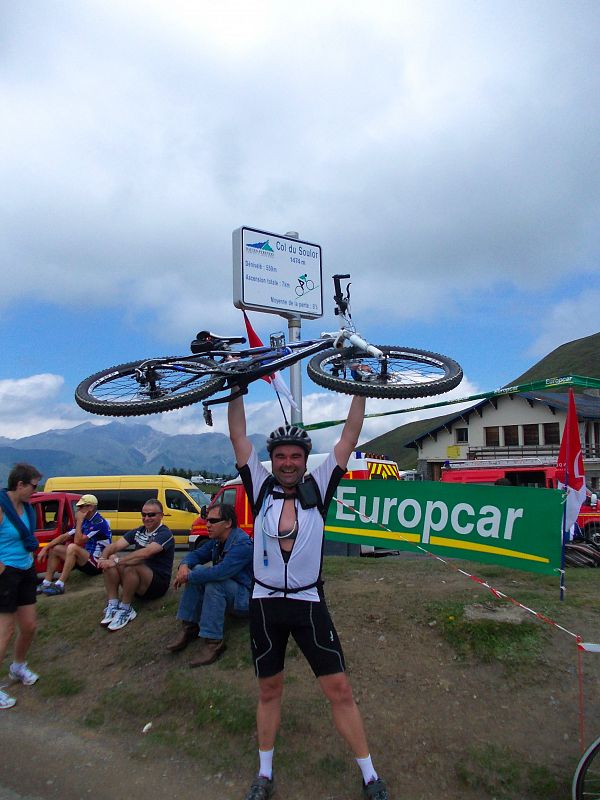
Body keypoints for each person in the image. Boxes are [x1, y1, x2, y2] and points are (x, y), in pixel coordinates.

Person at [228, 394, 389, 800]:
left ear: (304, 459)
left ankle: (370, 776)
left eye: (294, 456)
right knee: (269, 690)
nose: (287, 462)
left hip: (308, 604)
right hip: (265, 604)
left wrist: (360, 388)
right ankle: (263, 774)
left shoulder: (319, 484)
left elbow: (350, 436)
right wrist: (237, 388)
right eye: (280, 456)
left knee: (340, 691)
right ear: (273, 459)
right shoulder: (259, 485)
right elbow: (238, 436)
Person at [166, 502, 252, 666]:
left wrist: (189, 576)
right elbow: (196, 555)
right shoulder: (218, 540)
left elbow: (221, 572)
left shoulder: (242, 544)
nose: (208, 524)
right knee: (197, 570)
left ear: (228, 523)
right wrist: (184, 566)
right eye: (207, 520)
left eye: (213, 521)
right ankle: (190, 626)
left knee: (213, 582)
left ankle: (213, 642)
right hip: (230, 592)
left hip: (245, 600)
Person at [0, 463, 43, 709]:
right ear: (20, 485)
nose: (35, 491)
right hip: (6, 574)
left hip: (26, 570)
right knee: (4, 631)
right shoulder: (2, 507)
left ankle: (18, 667)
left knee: (29, 626)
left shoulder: (27, 508)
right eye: (33, 486)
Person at [97, 499, 174, 632]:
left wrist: (116, 562)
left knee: (130, 564)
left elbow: (147, 552)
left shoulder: (165, 534)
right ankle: (113, 604)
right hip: (136, 579)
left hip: (156, 584)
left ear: (161, 515)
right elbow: (115, 546)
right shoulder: (139, 531)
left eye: (151, 515)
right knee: (111, 559)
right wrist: (103, 558)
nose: (146, 518)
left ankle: (126, 609)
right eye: (143, 514)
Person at [36, 494, 111, 595]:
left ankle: (60, 584)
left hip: (97, 562)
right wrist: (46, 548)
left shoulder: (99, 522)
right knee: (55, 548)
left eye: (81, 507)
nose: (78, 509)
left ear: (91, 507)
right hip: (86, 558)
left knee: (73, 547)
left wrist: (79, 520)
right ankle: (46, 582)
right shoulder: (85, 521)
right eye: (78, 507)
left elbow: (78, 542)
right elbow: (64, 536)